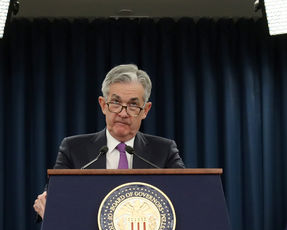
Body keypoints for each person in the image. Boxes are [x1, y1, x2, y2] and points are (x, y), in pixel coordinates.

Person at [33, 63, 185, 219]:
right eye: (116, 103)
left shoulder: (164, 151)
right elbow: (54, 197)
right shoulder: (73, 149)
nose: (123, 113)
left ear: (145, 110)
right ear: (103, 105)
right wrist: (46, 204)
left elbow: (186, 196)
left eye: (133, 105)